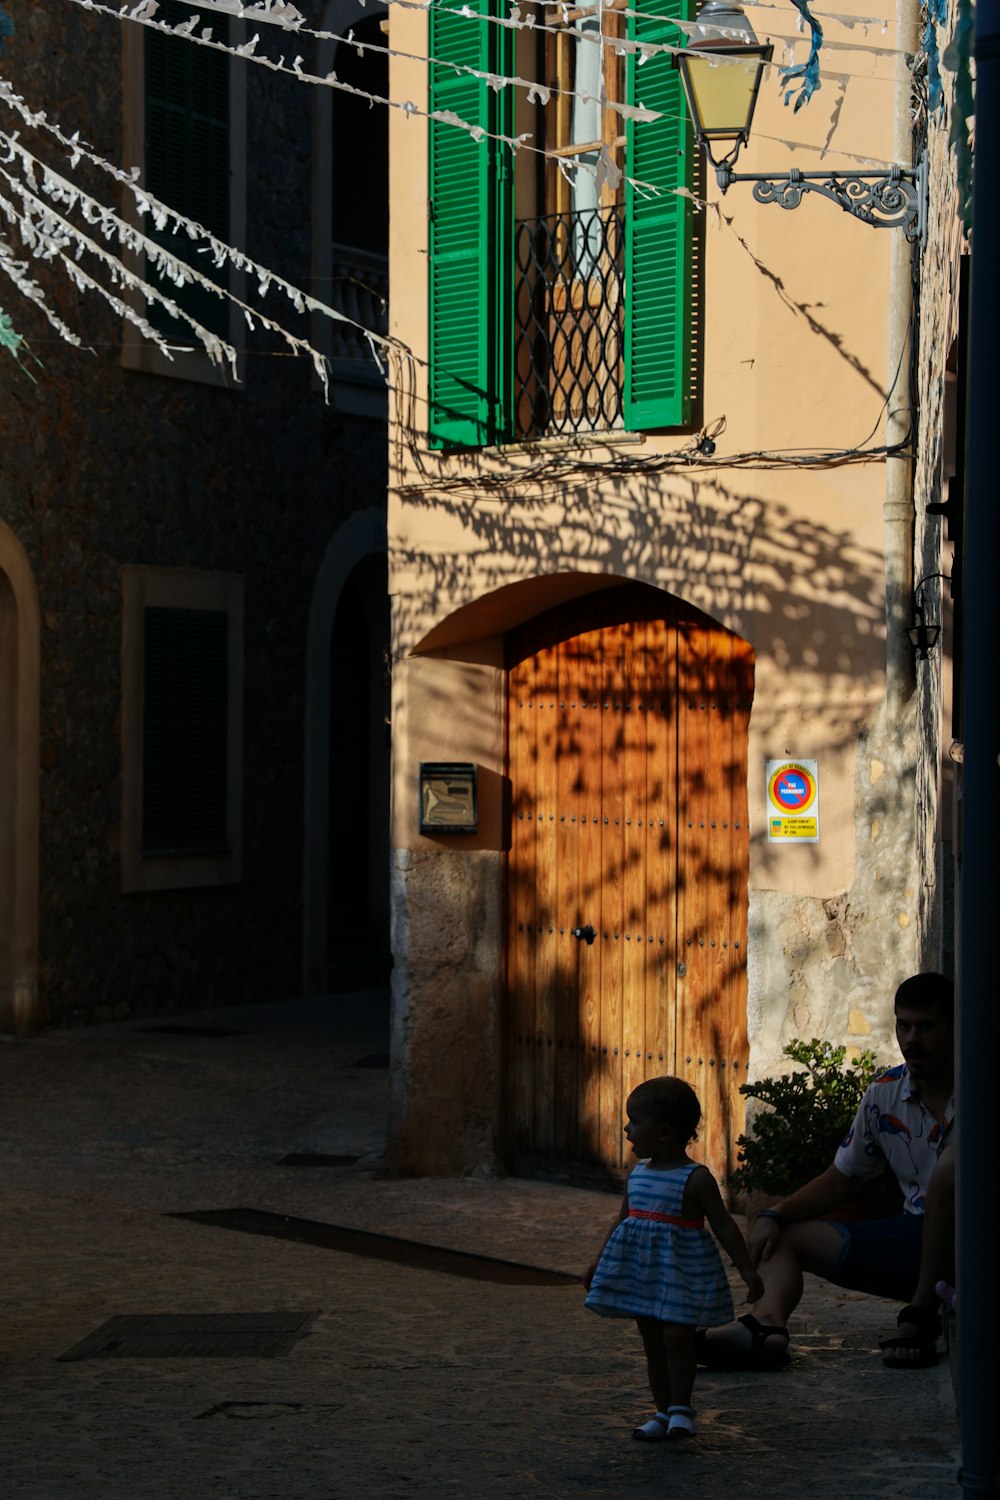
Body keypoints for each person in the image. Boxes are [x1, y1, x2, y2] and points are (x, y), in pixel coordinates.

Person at [697, 970, 955, 1372]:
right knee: (784, 1236)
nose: (912, 1040)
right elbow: (842, 1179)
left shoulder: (982, 1089)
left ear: (955, 1028)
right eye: (903, 1026)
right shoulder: (884, 1095)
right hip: (913, 1245)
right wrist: (773, 1214)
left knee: (951, 1168)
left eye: (926, 1027)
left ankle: (920, 1318)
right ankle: (766, 1329)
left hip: (973, 1245)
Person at [583, 1076, 765, 1442]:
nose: (626, 1128)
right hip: (644, 1276)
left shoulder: (695, 1178)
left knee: (678, 1337)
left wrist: (747, 1269)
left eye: (634, 1122)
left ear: (664, 1133)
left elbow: (724, 1226)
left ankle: (682, 1408)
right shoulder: (637, 1176)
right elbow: (622, 1222)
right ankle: (662, 1411)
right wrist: (599, 1263)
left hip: (680, 1274)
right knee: (652, 1342)